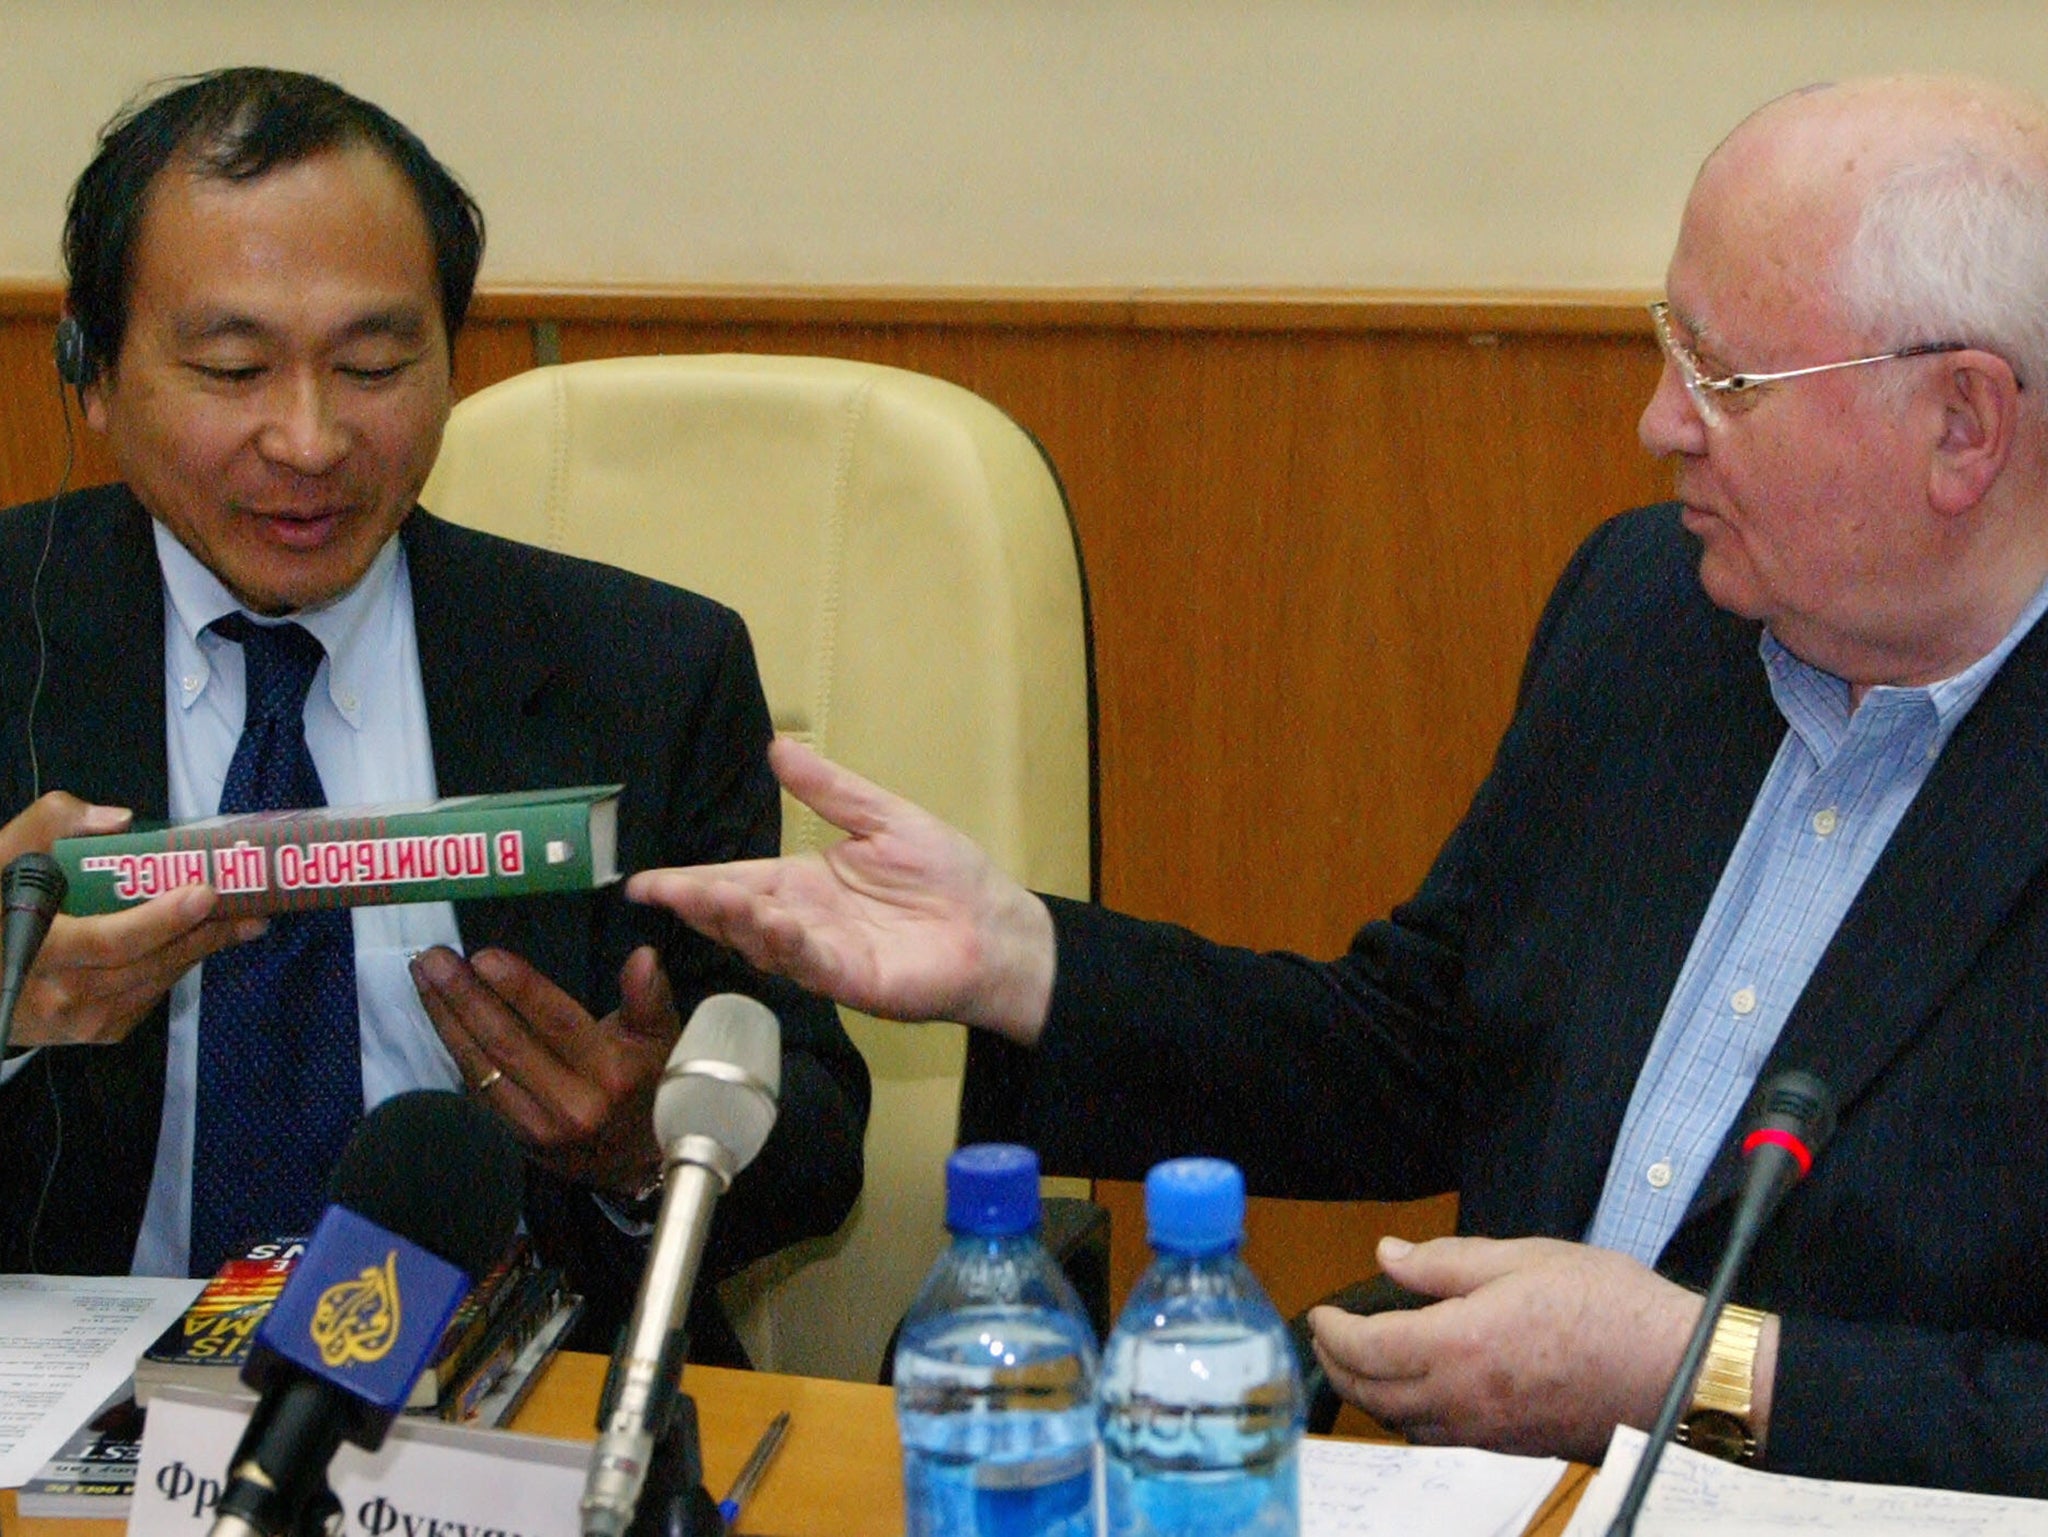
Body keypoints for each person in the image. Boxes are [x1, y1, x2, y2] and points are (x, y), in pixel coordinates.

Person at [631, 74, 2048, 1490]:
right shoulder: (1653, 612)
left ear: (1963, 428)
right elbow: (1418, 1053)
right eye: (1667, 344)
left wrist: (1698, 1375)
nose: (1657, 422)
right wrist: (1020, 958)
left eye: (1723, 378)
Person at [0, 67, 870, 1361]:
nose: (308, 439)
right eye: (234, 367)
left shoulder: (645, 668)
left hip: (510, 1408)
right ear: (94, 378)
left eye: (373, 363)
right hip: (69, 1413)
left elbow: (815, 1135)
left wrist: (648, 1140)